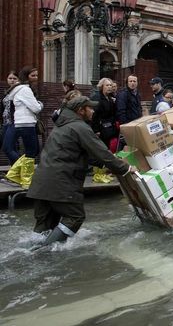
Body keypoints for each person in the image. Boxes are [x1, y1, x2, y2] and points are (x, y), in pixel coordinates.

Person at [27, 96, 135, 248]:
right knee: (75, 217)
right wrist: (126, 168)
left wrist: (108, 164)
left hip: (41, 184)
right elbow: (101, 153)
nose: (92, 111)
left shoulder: (62, 126)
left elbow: (87, 155)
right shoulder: (80, 127)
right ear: (80, 111)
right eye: (90, 108)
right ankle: (43, 252)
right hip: (61, 183)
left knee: (44, 227)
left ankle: (32, 251)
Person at [2, 66, 43, 164]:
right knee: (28, 151)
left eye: (14, 78)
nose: (36, 78)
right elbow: (36, 108)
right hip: (17, 122)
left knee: (31, 150)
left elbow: (32, 106)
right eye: (33, 75)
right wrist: (40, 105)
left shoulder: (20, 90)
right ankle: (21, 172)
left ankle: (19, 173)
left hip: (18, 122)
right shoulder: (23, 90)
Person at [92, 77, 118, 151]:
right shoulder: (97, 97)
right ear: (102, 86)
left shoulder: (110, 98)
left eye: (110, 85)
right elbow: (94, 115)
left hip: (110, 129)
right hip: (101, 130)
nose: (109, 87)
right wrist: (96, 130)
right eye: (107, 85)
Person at [1, 71, 20, 159]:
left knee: (7, 148)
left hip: (14, 122)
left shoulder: (20, 91)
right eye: (10, 78)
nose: (12, 80)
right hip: (5, 123)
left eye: (14, 78)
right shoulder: (7, 92)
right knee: (12, 148)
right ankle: (16, 171)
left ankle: (21, 167)